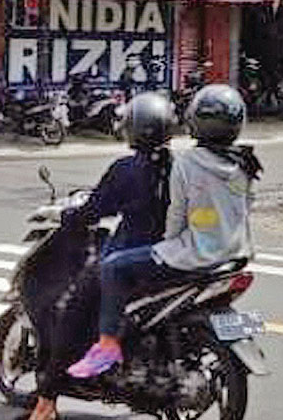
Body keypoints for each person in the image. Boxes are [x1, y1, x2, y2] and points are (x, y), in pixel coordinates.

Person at [67, 84, 261, 381]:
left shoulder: (186, 164)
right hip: (236, 253)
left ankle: (107, 345)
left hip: (194, 253)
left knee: (112, 267)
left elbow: (176, 214)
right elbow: (246, 206)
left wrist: (169, 244)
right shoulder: (244, 163)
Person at [25, 91, 175, 420]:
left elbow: (95, 210)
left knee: (72, 311)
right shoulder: (177, 165)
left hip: (130, 257)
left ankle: (47, 399)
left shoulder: (126, 169)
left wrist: (66, 217)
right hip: (171, 258)